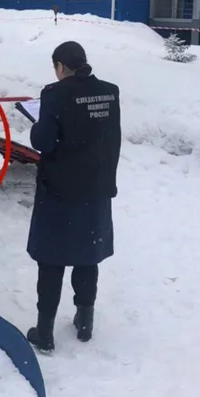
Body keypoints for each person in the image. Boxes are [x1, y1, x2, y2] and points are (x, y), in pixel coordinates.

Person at [25, 41, 121, 353]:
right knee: (86, 255)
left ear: (61, 66)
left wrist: (37, 127)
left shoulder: (54, 94)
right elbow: (111, 137)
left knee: (51, 260)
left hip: (60, 192)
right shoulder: (109, 91)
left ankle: (44, 331)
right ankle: (85, 321)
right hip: (96, 190)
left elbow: (44, 142)